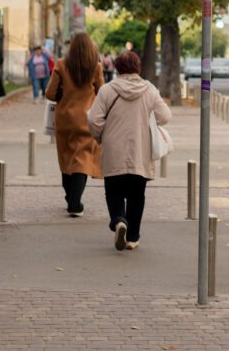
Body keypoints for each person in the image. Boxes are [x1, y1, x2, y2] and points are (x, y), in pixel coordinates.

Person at [87, 50, 171, 251]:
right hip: (140, 151)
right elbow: (166, 116)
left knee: (113, 191)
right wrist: (149, 119)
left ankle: (118, 221)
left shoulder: (107, 90)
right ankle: (133, 237)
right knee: (137, 195)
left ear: (117, 68)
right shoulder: (149, 90)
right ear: (138, 67)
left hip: (114, 149)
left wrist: (100, 136)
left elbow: (93, 119)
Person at [45, 33, 104, 217]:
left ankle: (69, 197)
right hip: (87, 119)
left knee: (66, 157)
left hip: (64, 119)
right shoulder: (96, 67)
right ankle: (74, 202)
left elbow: (49, 93)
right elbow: (102, 92)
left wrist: (63, 94)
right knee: (82, 159)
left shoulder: (61, 64)